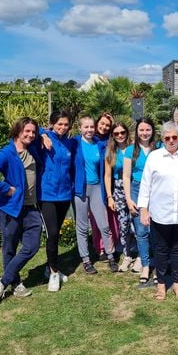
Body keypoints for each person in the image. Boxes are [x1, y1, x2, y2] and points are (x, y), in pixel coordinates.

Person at [0, 117, 43, 304]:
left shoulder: (31, 148)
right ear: (17, 131)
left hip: (31, 207)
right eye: (27, 131)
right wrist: (6, 189)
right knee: (10, 247)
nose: (31, 134)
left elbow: (48, 131)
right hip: (10, 208)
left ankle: (2, 281)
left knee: (32, 246)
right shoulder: (7, 153)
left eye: (33, 132)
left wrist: (44, 135)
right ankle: (15, 284)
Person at [138, 121, 178, 300]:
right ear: (162, 138)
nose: (171, 141)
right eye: (167, 137)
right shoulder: (154, 157)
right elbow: (145, 185)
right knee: (161, 249)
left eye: (174, 137)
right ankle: (162, 284)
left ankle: (177, 284)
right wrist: (143, 209)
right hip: (160, 213)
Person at [73, 116, 118, 274]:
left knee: (103, 224)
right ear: (80, 128)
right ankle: (86, 259)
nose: (89, 130)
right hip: (81, 190)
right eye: (86, 127)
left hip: (97, 187)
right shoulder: (75, 143)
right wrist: (44, 134)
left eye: (91, 127)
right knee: (82, 226)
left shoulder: (100, 145)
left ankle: (110, 255)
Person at [39, 110, 75, 292]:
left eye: (66, 124)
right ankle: (54, 273)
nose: (62, 127)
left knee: (56, 233)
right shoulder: (44, 138)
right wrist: (41, 133)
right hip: (47, 195)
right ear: (52, 123)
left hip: (65, 195)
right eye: (59, 124)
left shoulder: (70, 143)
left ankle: (50, 267)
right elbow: (24, 129)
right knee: (52, 234)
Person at [123, 117, 157, 283]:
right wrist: (128, 199)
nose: (145, 133)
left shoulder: (158, 148)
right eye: (141, 130)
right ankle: (145, 265)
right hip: (136, 189)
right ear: (137, 132)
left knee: (156, 230)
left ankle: (157, 264)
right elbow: (126, 175)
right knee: (142, 230)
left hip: (155, 191)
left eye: (148, 129)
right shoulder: (131, 150)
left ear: (152, 131)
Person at [104, 122, 135, 272]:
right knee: (123, 224)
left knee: (136, 223)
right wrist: (110, 196)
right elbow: (107, 175)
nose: (120, 136)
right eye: (116, 134)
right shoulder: (111, 152)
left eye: (122, 132)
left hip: (134, 187)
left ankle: (141, 256)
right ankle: (127, 254)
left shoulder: (134, 149)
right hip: (118, 188)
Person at [91, 112, 115, 262]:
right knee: (96, 219)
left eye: (107, 125)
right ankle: (99, 248)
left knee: (111, 219)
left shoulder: (111, 142)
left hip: (109, 183)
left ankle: (111, 246)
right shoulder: (89, 139)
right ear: (97, 122)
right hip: (94, 185)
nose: (104, 127)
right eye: (102, 123)